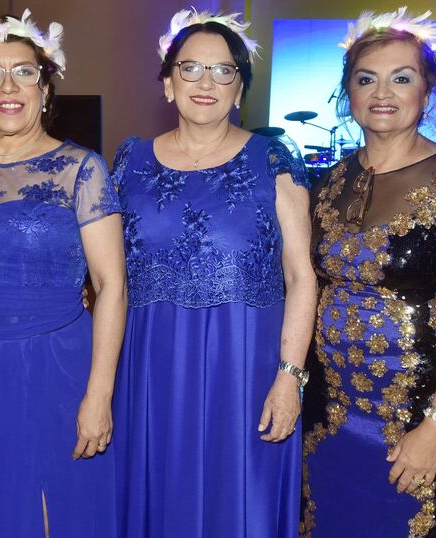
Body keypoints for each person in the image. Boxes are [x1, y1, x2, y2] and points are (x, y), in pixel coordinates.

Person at [111, 9, 315, 537]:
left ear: (241, 88)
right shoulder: (128, 161)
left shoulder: (273, 158)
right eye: (191, 68)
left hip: (244, 368)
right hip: (149, 364)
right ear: (167, 82)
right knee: (156, 491)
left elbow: (301, 276)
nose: (206, 83)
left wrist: (289, 378)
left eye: (224, 71)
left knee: (238, 497)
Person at [301, 8, 436, 537]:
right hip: (327, 409)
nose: (382, 92)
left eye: (402, 78)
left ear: (427, 92)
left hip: (416, 409)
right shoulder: (331, 179)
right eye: (366, 79)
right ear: (348, 93)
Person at [0, 10, 126, 536]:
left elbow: (112, 285)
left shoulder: (82, 169)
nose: (8, 86)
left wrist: (100, 393)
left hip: (54, 363)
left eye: (24, 72)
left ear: (46, 88)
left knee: (56, 509)